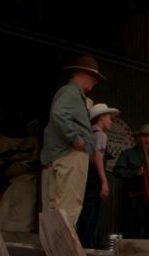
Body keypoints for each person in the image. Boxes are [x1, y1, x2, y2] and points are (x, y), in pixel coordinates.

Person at [39, 54, 103, 227]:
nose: (95, 82)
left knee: (55, 209)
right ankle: (61, 250)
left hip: (61, 156)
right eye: (94, 77)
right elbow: (59, 114)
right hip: (70, 157)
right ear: (83, 73)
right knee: (67, 209)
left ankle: (52, 248)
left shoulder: (70, 93)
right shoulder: (71, 92)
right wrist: (76, 139)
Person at [113, 124, 149, 239]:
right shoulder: (128, 154)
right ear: (138, 138)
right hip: (134, 199)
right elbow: (117, 171)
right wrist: (135, 172)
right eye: (145, 136)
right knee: (133, 231)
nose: (148, 140)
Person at [75, 103, 118, 247]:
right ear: (102, 118)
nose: (111, 121)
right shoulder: (100, 135)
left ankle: (80, 242)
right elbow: (98, 156)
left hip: (85, 173)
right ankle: (85, 245)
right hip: (94, 174)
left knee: (84, 211)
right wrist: (104, 181)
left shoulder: (88, 135)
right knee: (92, 213)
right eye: (109, 118)